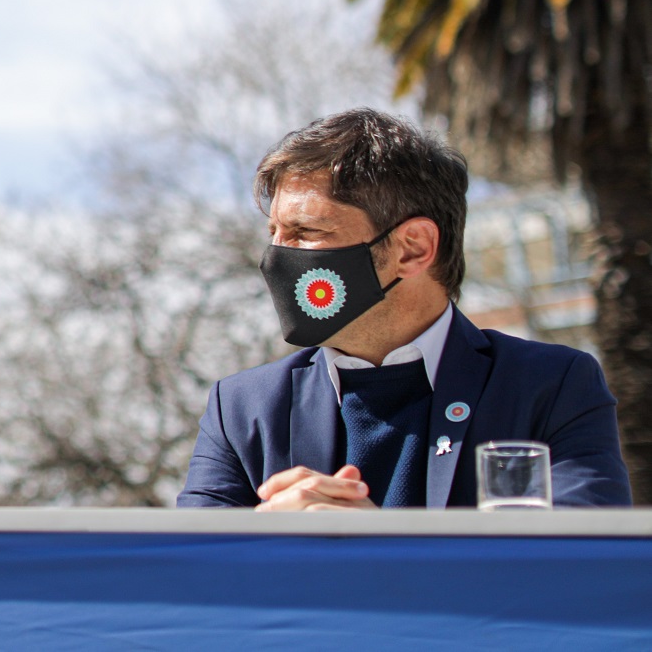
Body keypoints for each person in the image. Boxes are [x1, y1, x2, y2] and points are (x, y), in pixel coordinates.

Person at [179, 108, 630, 509]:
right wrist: (266, 544)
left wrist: (383, 554)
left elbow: (582, 575)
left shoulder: (550, 386)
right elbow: (190, 579)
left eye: (305, 232)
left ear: (413, 249)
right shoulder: (242, 408)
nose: (275, 257)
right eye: (274, 231)